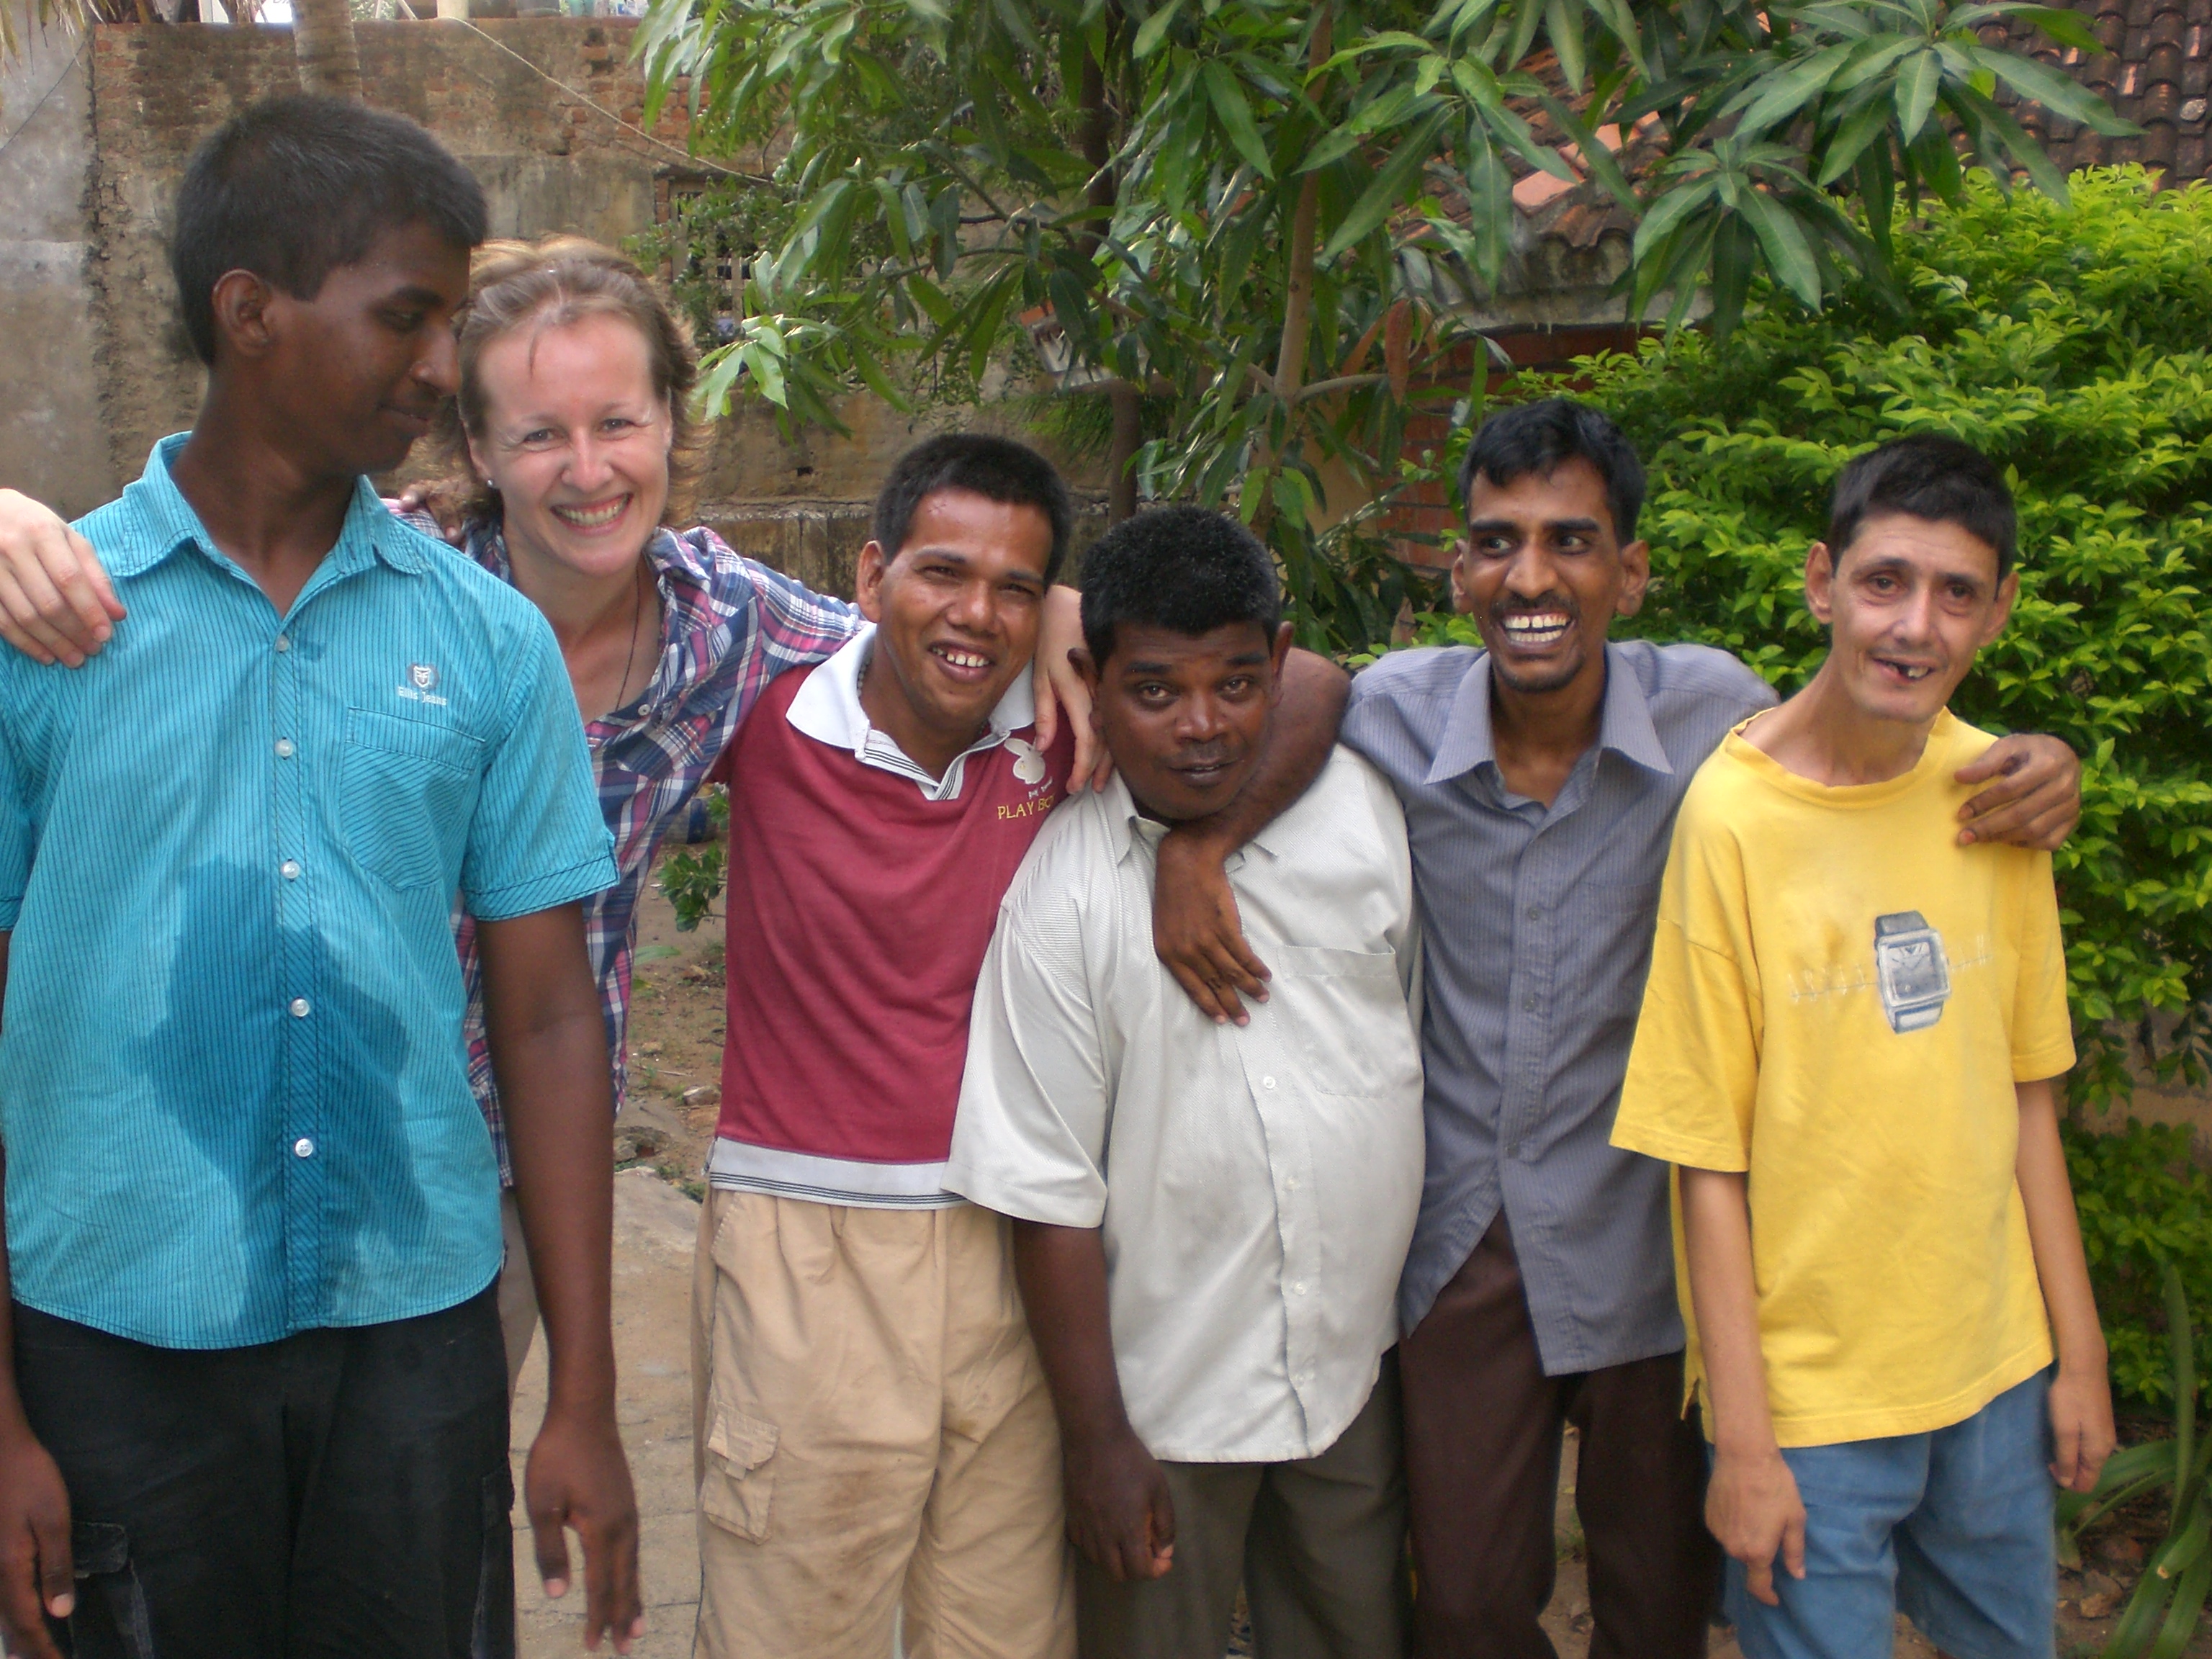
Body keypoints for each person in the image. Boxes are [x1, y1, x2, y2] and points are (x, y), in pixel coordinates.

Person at [0, 236, 1102, 1392]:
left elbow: (925, 639)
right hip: (253, 1135)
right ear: (477, 446)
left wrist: (1065, 605)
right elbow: (191, 553)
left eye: (619, 422)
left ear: (675, 421)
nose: (588, 471)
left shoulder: (726, 626)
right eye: (538, 434)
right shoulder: (382, 583)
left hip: (514, 1179)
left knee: (434, 1525)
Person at [0, 96, 641, 1659]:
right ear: (254, 314)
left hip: (414, 1339)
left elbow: (552, 1019)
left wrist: (588, 1400)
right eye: (408, 318)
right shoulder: (46, 630)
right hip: (111, 1336)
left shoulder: (485, 641)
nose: (442, 369)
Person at [1338, 398, 2086, 1659]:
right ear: (1456, 565)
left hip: (1656, 1243)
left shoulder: (1711, 722)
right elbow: (1257, 707)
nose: (1532, 576)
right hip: (1471, 1236)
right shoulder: (1382, 721)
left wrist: (2047, 758)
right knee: (1463, 1603)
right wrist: (1193, 850)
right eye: (1497, 541)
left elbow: (1877, 749)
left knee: (1658, 1596)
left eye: (1573, 541)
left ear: (1630, 572)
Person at [693, 448, 1349, 1658]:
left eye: (1014, 587)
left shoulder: (1060, 724)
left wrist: (1194, 846)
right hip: (807, 1245)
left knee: (1004, 1636)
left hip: (1018, 1248)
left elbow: (1304, 678)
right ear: (871, 572)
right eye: (942, 574)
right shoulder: (772, 717)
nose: (974, 614)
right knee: (792, 1624)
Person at [1610, 435, 2114, 1659]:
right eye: (1887, 581)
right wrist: (1742, 1439)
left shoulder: (1995, 795)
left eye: (1956, 593)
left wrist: (2079, 1355)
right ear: (1821, 582)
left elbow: (2028, 1098)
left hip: (1993, 1368)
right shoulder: (1731, 821)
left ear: (1998, 613)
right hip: (1810, 1406)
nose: (1916, 625)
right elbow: (1705, 1161)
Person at [945, 505, 1424, 1659]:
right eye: (1156, 691)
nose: (1202, 727)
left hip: (1350, 1374)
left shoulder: (1360, 815)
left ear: (1280, 664)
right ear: (1092, 684)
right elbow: (1046, 1191)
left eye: (1237, 685)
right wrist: (1100, 1440)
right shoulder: (1064, 894)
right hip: (1167, 1409)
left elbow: (1397, 1031)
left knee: (1356, 1630)